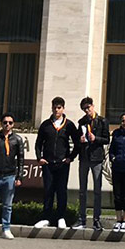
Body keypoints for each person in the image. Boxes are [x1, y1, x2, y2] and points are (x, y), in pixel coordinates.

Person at [33, 96, 80, 229]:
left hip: (62, 164)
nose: (56, 110)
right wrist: (39, 158)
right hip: (48, 163)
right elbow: (38, 143)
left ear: (63, 108)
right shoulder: (46, 125)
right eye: (54, 107)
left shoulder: (69, 125)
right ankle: (46, 217)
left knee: (61, 190)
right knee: (48, 190)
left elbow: (77, 143)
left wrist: (70, 157)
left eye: (59, 108)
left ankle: (61, 217)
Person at [73, 96, 110, 230]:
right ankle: (81, 219)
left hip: (97, 158)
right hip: (84, 157)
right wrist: (80, 140)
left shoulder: (102, 121)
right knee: (82, 190)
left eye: (88, 107)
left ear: (93, 106)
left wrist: (96, 138)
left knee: (97, 190)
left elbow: (107, 139)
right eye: (84, 109)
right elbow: (76, 141)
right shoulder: (81, 122)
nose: (87, 111)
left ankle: (96, 219)